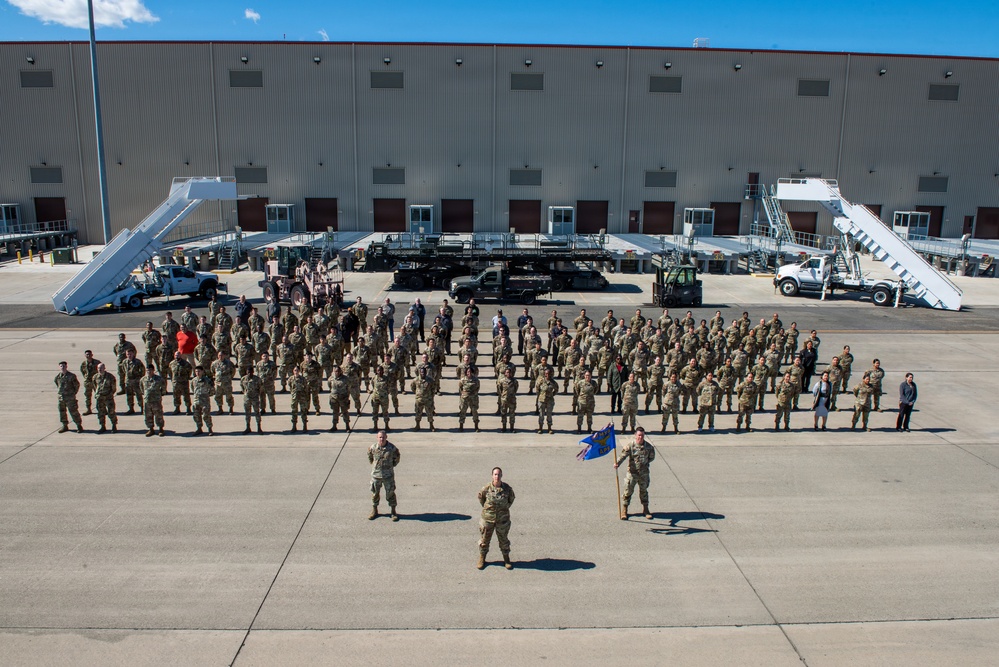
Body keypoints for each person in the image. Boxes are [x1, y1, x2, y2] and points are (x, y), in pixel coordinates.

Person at [477, 467, 515, 570]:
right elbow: (481, 498)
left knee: (504, 540)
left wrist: (503, 510)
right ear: (492, 476)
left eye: (498, 474)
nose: (497, 477)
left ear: (501, 476)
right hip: (488, 519)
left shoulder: (507, 489)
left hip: (502, 520)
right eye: (495, 474)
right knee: (484, 540)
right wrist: (489, 511)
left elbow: (511, 499)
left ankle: (506, 559)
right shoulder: (486, 488)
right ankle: (482, 558)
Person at [614, 427, 655, 520]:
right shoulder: (631, 446)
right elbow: (623, 455)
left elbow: (651, 458)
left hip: (644, 474)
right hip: (632, 473)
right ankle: (624, 510)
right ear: (635, 435)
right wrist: (617, 463)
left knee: (643, 491)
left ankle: (646, 509)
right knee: (628, 491)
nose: (641, 437)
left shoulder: (649, 447)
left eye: (642, 435)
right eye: (639, 435)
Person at [367, 430, 401, 520]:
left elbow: (397, 458)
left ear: (386, 437)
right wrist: (376, 467)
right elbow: (370, 457)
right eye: (380, 437)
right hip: (376, 475)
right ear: (377, 438)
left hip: (388, 476)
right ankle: (374, 510)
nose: (381, 439)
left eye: (383, 437)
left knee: (390, 493)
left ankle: (393, 511)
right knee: (375, 494)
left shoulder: (392, 448)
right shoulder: (373, 447)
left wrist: (390, 466)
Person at [54, 361, 83, 433]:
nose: (62, 367)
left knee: (74, 412)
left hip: (70, 398)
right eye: (61, 366)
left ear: (66, 366)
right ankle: (65, 425)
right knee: (62, 412)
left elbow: (77, 385)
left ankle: (79, 425)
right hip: (61, 398)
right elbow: (57, 384)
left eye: (64, 366)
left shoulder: (71, 376)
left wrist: (72, 394)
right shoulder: (58, 377)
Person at [140, 364, 166, 437]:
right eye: (147, 370)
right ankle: (151, 429)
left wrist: (160, 394)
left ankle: (161, 429)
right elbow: (141, 388)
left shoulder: (159, 379)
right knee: (148, 415)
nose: (149, 372)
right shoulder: (143, 379)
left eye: (150, 370)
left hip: (156, 401)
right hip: (147, 401)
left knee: (159, 415)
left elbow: (163, 387)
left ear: (153, 370)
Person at [93, 363, 118, 433]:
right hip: (100, 398)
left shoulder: (110, 377)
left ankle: (114, 425)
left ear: (104, 368)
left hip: (108, 397)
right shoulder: (95, 377)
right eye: (98, 368)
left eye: (101, 368)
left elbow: (113, 388)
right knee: (100, 413)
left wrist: (109, 394)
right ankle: (102, 426)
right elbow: (95, 386)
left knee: (111, 412)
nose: (100, 370)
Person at [191, 365, 214, 436]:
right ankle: (199, 428)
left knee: (206, 415)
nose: (197, 373)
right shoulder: (193, 380)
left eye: (199, 371)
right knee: (196, 415)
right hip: (196, 400)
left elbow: (212, 390)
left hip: (205, 401)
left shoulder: (207, 380)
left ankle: (210, 429)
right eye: (196, 371)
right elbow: (192, 389)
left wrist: (206, 396)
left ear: (202, 372)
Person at [241, 365, 264, 434]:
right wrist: (245, 393)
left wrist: (256, 394)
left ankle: (259, 427)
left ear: (253, 372)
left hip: (255, 398)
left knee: (257, 413)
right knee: (247, 413)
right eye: (248, 372)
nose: (249, 373)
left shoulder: (257, 379)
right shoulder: (243, 379)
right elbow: (242, 387)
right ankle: (248, 427)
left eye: (250, 372)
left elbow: (261, 388)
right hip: (247, 398)